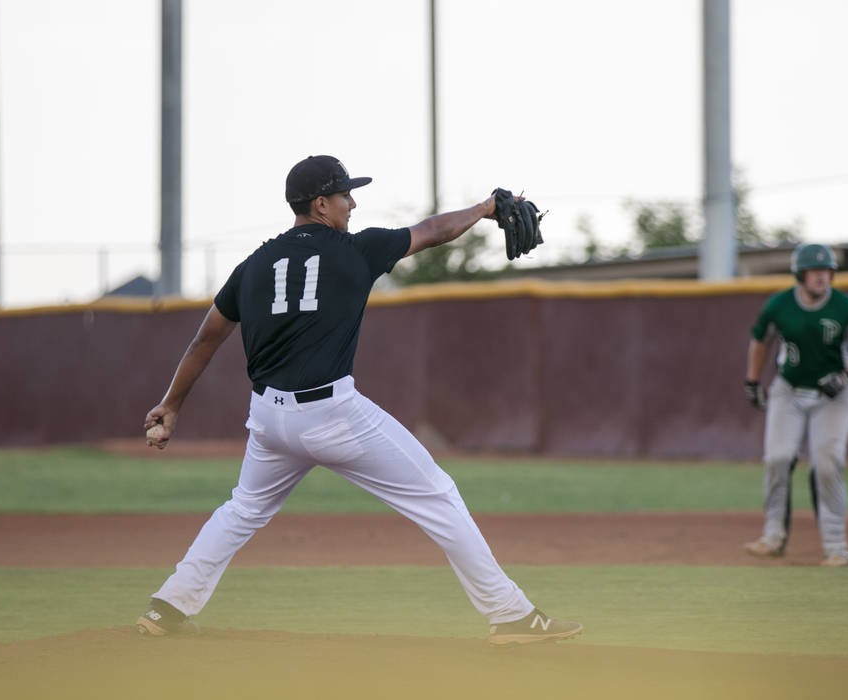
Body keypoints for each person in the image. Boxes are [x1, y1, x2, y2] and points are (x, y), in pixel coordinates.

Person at [134, 155, 582, 646]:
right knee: (438, 495)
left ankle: (168, 607)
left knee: (242, 509)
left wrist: (171, 404)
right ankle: (511, 615)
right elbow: (432, 231)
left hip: (267, 418)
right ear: (320, 204)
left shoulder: (255, 265)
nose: (353, 202)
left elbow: (205, 339)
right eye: (345, 195)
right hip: (332, 416)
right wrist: (485, 208)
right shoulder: (355, 250)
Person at [742, 243, 848, 566]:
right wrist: (752, 380)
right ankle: (773, 536)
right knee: (777, 458)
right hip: (789, 390)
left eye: (826, 271)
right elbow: (760, 341)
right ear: (800, 274)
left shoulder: (847, 308)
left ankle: (836, 547)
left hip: (833, 395)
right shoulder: (779, 305)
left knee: (827, 463)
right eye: (815, 272)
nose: (822, 277)